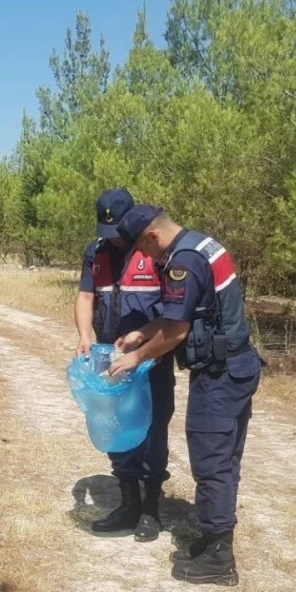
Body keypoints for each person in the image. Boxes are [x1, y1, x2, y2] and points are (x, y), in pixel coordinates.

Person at [106, 205, 262, 586]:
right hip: (237, 366)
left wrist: (135, 357)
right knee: (225, 460)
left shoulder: (183, 262)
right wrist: (143, 332)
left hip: (219, 375)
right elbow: (185, 315)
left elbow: (177, 331)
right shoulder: (200, 245)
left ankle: (219, 557)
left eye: (143, 250)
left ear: (152, 236)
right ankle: (213, 540)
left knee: (212, 462)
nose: (145, 258)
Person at [76, 188, 176, 541]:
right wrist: (84, 335)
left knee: (152, 431)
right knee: (116, 429)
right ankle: (128, 504)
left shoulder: (156, 253)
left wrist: (150, 349)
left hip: (151, 361)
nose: (114, 240)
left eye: (119, 232)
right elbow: (85, 296)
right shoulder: (96, 252)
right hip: (110, 362)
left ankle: (150, 511)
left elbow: (175, 311)